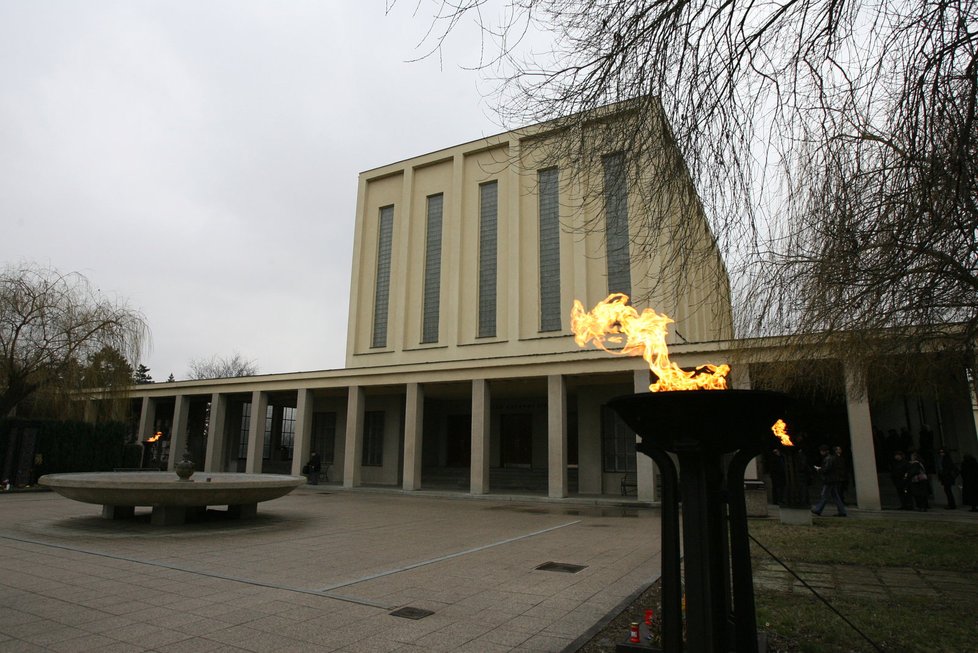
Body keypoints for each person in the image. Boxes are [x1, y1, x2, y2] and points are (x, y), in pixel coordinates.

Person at [811, 444, 847, 516]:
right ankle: (842, 511)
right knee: (835, 496)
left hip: (829, 480)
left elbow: (826, 469)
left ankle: (818, 509)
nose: (821, 453)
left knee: (825, 495)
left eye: (822, 451)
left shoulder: (828, 459)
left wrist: (819, 469)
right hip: (833, 479)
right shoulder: (831, 458)